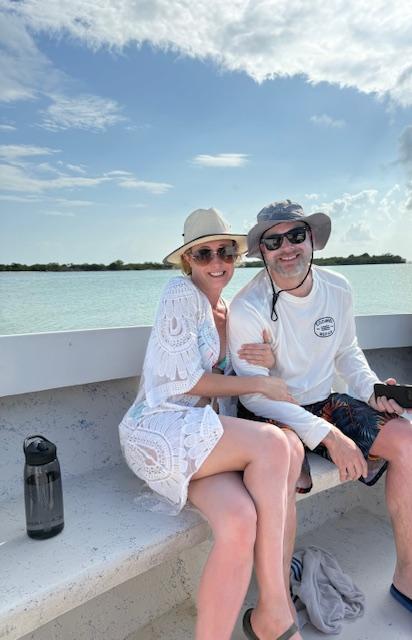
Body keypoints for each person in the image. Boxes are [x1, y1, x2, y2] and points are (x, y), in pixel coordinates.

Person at [119, 207, 303, 640]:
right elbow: (187, 379)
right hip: (160, 428)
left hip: (200, 436)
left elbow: (229, 381)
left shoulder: (228, 310)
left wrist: (264, 364)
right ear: (188, 261)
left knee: (240, 520)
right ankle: (275, 609)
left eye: (226, 252)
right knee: (274, 445)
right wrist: (263, 384)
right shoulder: (180, 293)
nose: (218, 262)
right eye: (204, 254)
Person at [228, 199, 412, 615]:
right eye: (274, 241)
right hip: (269, 410)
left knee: (408, 441)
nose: (287, 248)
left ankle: (408, 577)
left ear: (312, 238)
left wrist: (372, 389)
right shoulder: (246, 308)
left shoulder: (339, 288)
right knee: (287, 473)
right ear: (262, 250)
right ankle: (277, 607)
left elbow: (347, 351)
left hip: (324, 400)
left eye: (296, 235)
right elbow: (254, 395)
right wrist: (331, 438)